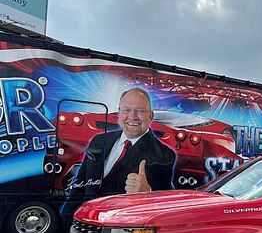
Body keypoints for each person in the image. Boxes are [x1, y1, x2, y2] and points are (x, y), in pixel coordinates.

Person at [62, 87, 176, 216]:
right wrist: (67, 223)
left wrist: (148, 193)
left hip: (122, 228)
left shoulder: (164, 154)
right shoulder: (99, 140)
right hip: (86, 224)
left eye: (140, 111)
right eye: (126, 110)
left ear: (151, 116)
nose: (132, 117)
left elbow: (165, 204)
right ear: (119, 113)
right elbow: (79, 188)